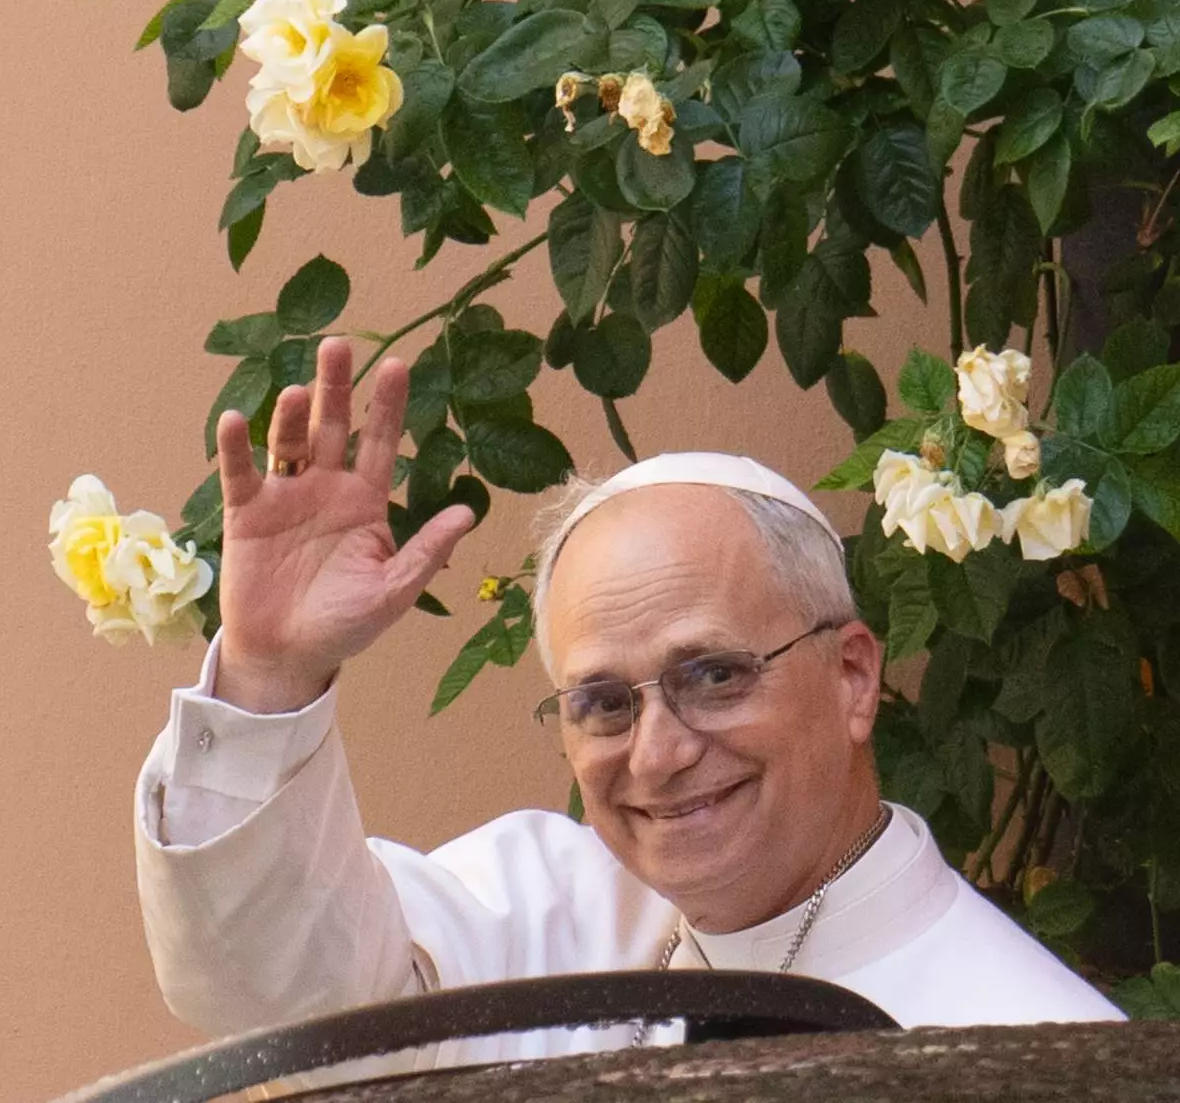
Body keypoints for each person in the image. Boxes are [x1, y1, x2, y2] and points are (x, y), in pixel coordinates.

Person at [135, 339, 1122, 1086]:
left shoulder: (1044, 1053)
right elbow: (272, 990)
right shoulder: (547, 920)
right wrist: (270, 675)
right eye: (605, 703)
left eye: (715, 676)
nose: (658, 755)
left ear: (853, 678)